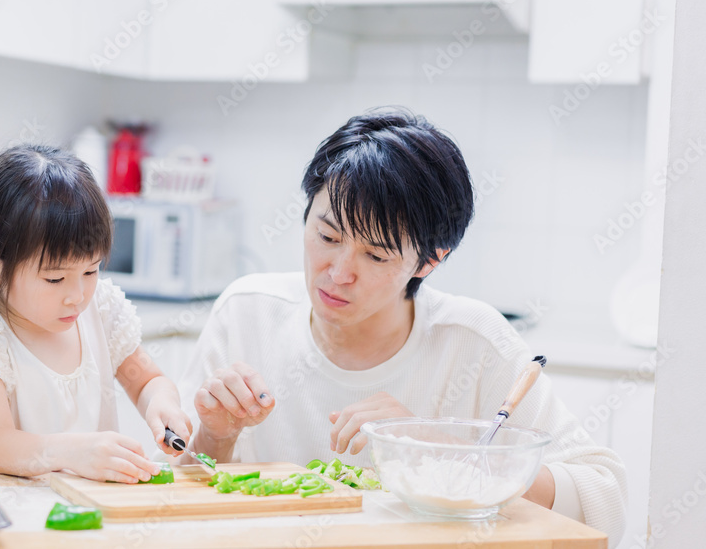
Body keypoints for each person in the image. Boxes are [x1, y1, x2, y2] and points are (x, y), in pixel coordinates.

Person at [179, 110, 627, 546]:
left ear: (430, 260)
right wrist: (216, 435)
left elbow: (605, 497)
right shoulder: (247, 313)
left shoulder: (473, 342)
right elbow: (177, 492)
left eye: (374, 256)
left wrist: (446, 452)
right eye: (328, 237)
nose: (337, 273)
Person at [0, 145, 193, 483]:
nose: (78, 296)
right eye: (55, 278)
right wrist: (73, 453)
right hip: (8, 523)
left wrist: (162, 402)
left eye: (91, 271)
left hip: (93, 518)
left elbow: (147, 380)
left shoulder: (100, 309)